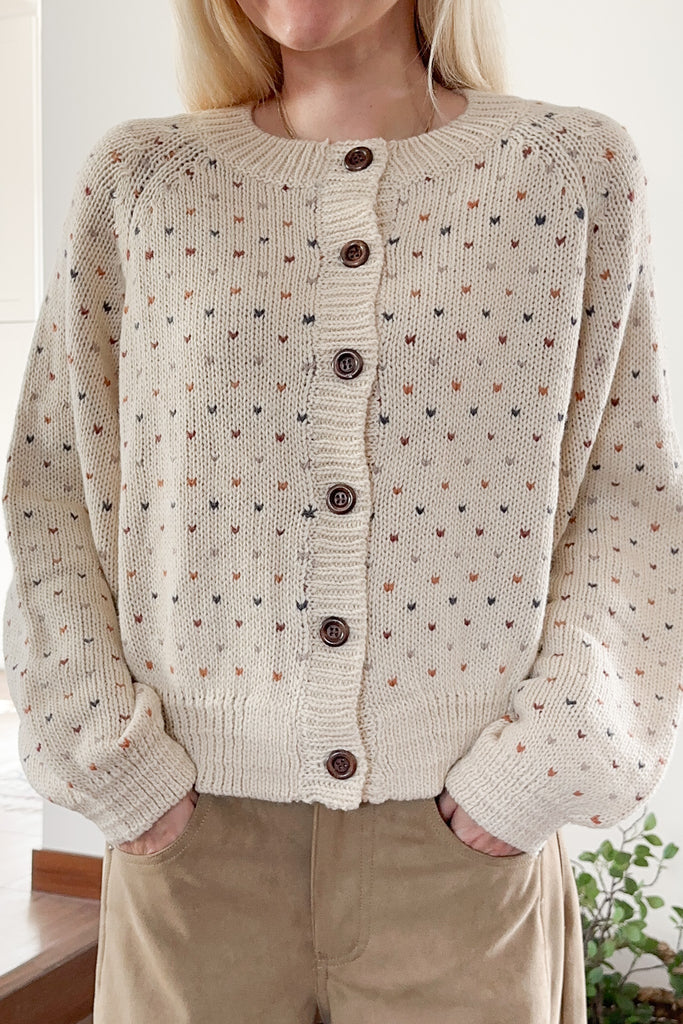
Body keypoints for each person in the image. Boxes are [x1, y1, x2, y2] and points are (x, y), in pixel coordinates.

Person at [3, 0, 682, 1021]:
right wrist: (107, 753)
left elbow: (626, 501)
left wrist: (538, 768)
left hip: (459, 858)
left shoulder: (570, 171)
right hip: (191, 847)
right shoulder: (141, 180)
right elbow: (53, 486)